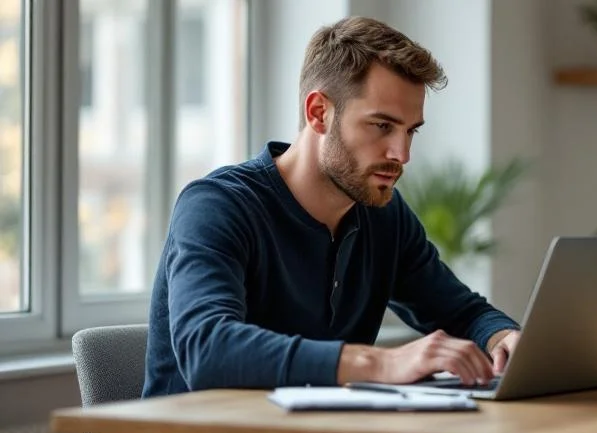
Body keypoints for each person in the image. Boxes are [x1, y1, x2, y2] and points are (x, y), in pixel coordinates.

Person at [141, 16, 521, 400]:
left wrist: (504, 338)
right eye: (382, 126)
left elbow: (463, 313)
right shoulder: (217, 206)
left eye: (410, 131)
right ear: (319, 112)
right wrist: (382, 364)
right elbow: (208, 352)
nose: (402, 154)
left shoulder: (383, 214)